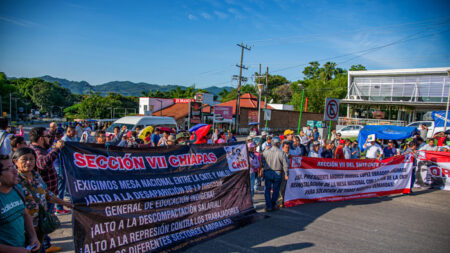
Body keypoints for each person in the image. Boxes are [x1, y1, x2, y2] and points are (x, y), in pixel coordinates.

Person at [13, 148, 73, 252]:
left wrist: (64, 203)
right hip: (23, 228)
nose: (28, 162)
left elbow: (47, 194)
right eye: (24, 159)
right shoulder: (14, 180)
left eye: (31, 159)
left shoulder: (36, 175)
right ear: (15, 161)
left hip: (40, 225)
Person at [0, 155, 40, 252]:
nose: (15, 171)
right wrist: (15, 250)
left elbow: (25, 214)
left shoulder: (17, 189)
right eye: (9, 168)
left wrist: (33, 237)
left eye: (13, 166)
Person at [262, 138, 288, 212]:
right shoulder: (281, 152)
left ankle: (269, 205)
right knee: (276, 190)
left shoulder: (266, 152)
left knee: (267, 190)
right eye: (279, 143)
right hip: (277, 172)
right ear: (278, 144)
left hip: (268, 172)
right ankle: (272, 205)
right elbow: (285, 165)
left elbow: (262, 157)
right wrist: (286, 173)